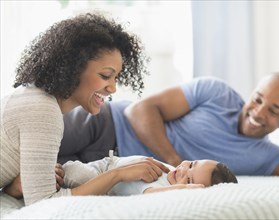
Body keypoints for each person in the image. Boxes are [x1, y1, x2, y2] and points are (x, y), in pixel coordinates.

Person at [0, 12, 169, 206]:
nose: (113, 88)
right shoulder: (43, 111)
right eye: (106, 76)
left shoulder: (35, 96)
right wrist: (117, 174)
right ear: (73, 68)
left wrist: (14, 187)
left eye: (116, 78)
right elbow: (43, 204)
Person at [59, 72, 279, 176]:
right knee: (32, 147)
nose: (258, 112)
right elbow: (141, 110)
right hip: (106, 124)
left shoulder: (268, 157)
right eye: (257, 99)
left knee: (40, 180)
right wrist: (173, 160)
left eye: (275, 111)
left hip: (107, 167)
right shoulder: (216, 92)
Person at [63, 151, 238, 196]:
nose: (183, 170)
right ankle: (59, 171)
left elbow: (151, 194)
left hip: (100, 180)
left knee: (75, 174)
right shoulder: (172, 171)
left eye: (189, 179)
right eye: (191, 164)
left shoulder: (162, 188)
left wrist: (188, 188)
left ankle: (59, 173)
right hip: (107, 163)